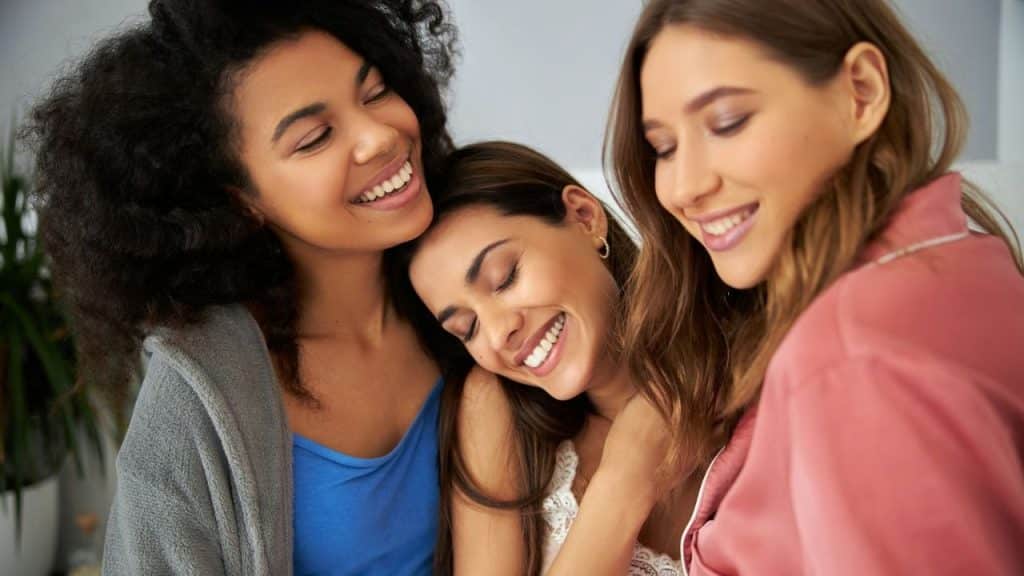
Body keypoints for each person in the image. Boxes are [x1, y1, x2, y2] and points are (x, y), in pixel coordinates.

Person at [24, 1, 459, 574]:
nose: (378, 137)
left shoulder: (478, 282)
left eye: (375, 92)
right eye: (314, 138)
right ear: (239, 198)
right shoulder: (196, 399)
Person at [607, 0, 1024, 574]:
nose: (683, 186)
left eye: (727, 121)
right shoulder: (966, 259)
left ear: (861, 91)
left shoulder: (849, 356)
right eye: (664, 148)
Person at [402, 141, 698, 575]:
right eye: (467, 328)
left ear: (584, 217)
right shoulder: (500, 412)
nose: (500, 334)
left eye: (505, 278)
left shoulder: (752, 369)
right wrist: (624, 478)